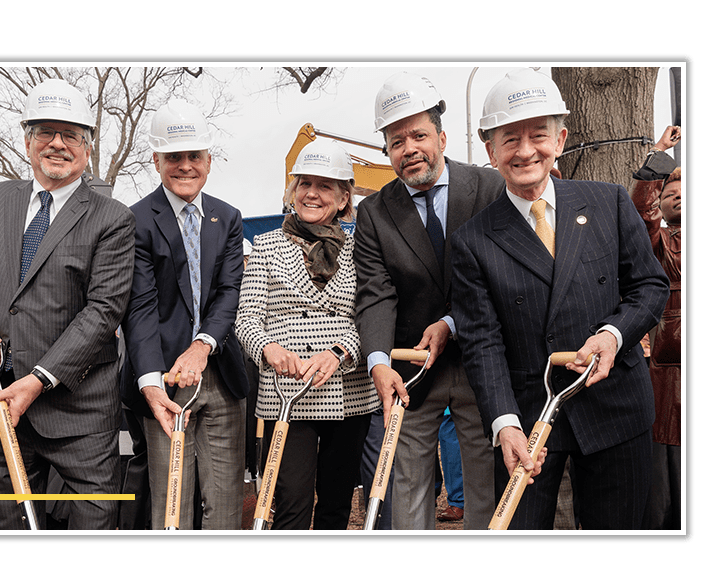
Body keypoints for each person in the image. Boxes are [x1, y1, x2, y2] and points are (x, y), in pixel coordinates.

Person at [450, 68, 669, 529]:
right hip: (529, 422)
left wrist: (613, 335)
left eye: (538, 135)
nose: (526, 150)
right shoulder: (473, 240)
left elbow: (650, 288)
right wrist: (503, 422)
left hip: (616, 408)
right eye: (509, 139)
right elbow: (482, 343)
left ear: (561, 139)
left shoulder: (607, 201)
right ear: (490, 151)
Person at [0, 78, 136, 530]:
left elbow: (103, 310)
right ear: (28, 141)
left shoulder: (112, 219)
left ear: (87, 149)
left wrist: (37, 380)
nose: (57, 144)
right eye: (46, 132)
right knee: (9, 525)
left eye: (70, 134)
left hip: (78, 412)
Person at [353, 71, 501, 530]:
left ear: (441, 136)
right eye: (396, 141)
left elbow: (500, 278)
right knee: (409, 483)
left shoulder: (490, 190)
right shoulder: (374, 213)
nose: (409, 148)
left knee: (483, 484)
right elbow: (376, 293)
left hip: (481, 358)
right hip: (411, 368)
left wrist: (453, 323)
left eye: (418, 134)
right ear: (388, 152)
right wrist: (379, 361)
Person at [120, 99, 249, 530]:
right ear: (156, 160)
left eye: (195, 156)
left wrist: (202, 345)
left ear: (209, 159)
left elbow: (230, 290)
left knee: (226, 505)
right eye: (174, 156)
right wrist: (153, 381)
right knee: (171, 506)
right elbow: (138, 306)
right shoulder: (135, 221)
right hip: (163, 378)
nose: (185, 166)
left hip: (220, 374)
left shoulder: (228, 218)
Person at [237, 139, 378, 529]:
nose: (312, 193)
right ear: (292, 191)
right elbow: (246, 318)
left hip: (347, 392)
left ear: (344, 196)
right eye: (304, 184)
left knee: (336, 504)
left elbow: (371, 315)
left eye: (325, 185)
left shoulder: (362, 249)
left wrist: (338, 351)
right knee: (291, 506)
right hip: (287, 392)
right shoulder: (264, 247)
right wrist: (267, 348)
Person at [630, 125, 682, 529]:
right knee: (664, 495)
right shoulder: (663, 245)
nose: (677, 192)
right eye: (669, 192)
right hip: (668, 381)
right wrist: (657, 163)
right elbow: (639, 217)